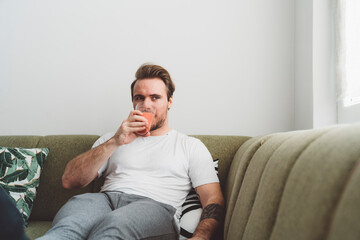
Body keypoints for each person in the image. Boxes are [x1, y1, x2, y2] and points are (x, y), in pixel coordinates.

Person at [38, 64, 224, 240]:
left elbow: (213, 197)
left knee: (113, 227)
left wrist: (201, 235)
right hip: (104, 201)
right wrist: (116, 141)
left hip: (155, 207)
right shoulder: (112, 138)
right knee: (66, 229)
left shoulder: (190, 145)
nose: (146, 105)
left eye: (155, 97)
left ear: (169, 102)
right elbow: (69, 180)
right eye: (139, 98)